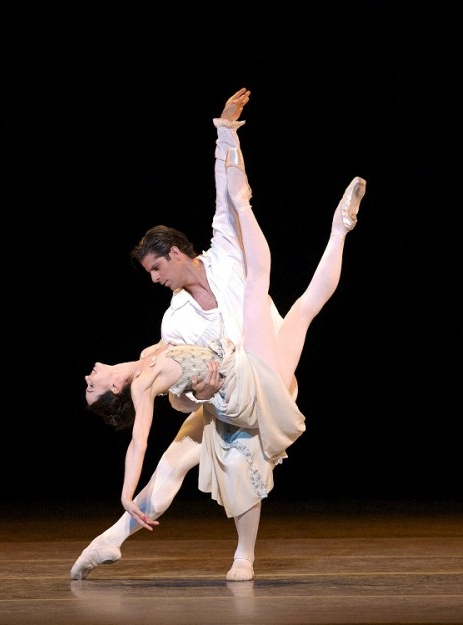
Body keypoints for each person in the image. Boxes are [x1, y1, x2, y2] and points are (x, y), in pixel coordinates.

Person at [70, 88, 366, 582]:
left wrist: (225, 133)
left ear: (178, 253)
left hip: (265, 375)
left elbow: (227, 187)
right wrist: (198, 393)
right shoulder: (175, 321)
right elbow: (182, 393)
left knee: (292, 305)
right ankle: (108, 541)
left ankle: (340, 227)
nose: (154, 278)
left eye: (156, 266)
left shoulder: (224, 252)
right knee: (171, 465)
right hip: (228, 392)